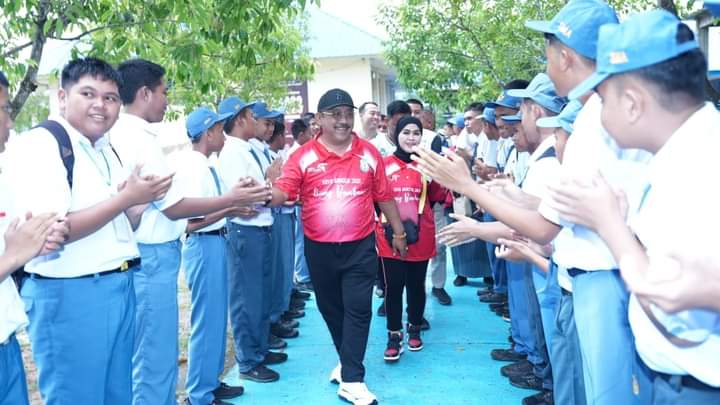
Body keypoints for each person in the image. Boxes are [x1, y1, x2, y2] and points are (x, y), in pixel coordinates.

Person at [545, 10, 720, 402]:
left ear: (632, 103)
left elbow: (666, 289)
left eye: (602, 98)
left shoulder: (701, 164)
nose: (597, 112)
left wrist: (610, 225)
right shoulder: (680, 154)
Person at [4, 57, 172, 404]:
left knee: (115, 395)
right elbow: (52, 229)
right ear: (63, 97)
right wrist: (125, 198)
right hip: (73, 294)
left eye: (110, 98)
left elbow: (117, 224)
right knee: (78, 396)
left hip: (117, 284)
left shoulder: (103, 148)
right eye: (88, 94)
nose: (101, 105)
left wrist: (136, 205)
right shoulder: (44, 143)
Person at [270, 88, 407, 405]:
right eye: (335, 115)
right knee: (332, 310)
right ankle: (347, 361)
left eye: (348, 114)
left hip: (360, 246)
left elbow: (384, 195)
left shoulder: (369, 154)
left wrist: (398, 232)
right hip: (319, 249)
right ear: (319, 120)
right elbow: (284, 191)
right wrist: (265, 194)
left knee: (359, 310)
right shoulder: (302, 157)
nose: (344, 121)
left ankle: (353, 379)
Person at [0, 69, 69, 405]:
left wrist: (38, 242)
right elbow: (9, 254)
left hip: (6, 344)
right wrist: (13, 256)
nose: (9, 124)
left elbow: (17, 244)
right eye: (2, 110)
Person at [175, 106, 250, 405]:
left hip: (215, 242)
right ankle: (198, 393)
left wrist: (230, 207)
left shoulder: (206, 165)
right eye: (219, 130)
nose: (223, 135)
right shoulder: (193, 168)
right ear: (208, 133)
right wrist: (230, 208)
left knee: (217, 317)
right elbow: (191, 222)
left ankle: (210, 381)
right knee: (207, 320)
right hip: (203, 244)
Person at [216, 97, 285, 383]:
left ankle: (260, 349)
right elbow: (246, 196)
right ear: (242, 119)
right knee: (247, 297)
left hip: (261, 226)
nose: (258, 121)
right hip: (246, 229)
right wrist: (270, 182)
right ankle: (248, 359)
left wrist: (266, 186)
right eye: (252, 116)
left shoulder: (247, 149)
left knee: (261, 294)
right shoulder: (233, 152)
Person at [376, 116, 446, 362]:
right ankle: (394, 335)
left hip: (421, 237)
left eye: (416, 133)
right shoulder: (383, 165)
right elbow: (375, 199)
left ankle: (414, 328)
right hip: (388, 238)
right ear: (396, 135)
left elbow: (437, 197)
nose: (411, 137)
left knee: (417, 286)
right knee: (393, 288)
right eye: (406, 132)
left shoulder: (427, 167)